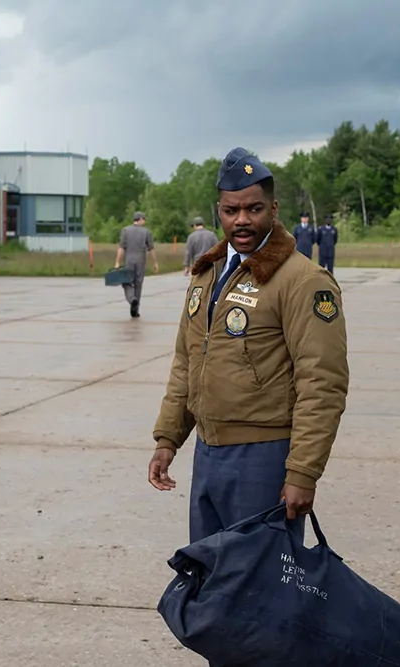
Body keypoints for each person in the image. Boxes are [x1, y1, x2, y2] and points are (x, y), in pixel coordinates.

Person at [148, 146, 349, 547]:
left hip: (263, 457)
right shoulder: (207, 274)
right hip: (208, 453)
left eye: (253, 209)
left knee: (262, 593)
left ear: (273, 209)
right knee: (211, 581)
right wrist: (168, 438)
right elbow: (186, 361)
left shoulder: (303, 281)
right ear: (219, 210)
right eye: (230, 210)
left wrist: (303, 472)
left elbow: (322, 382)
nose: (241, 220)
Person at [114, 211, 159, 317]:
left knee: (127, 283)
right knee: (138, 284)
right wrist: (155, 262)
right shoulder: (146, 232)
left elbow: (121, 248)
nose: (145, 221)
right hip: (141, 261)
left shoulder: (125, 230)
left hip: (129, 260)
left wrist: (117, 262)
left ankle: (131, 299)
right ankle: (135, 309)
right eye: (144, 219)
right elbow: (151, 248)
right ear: (140, 219)